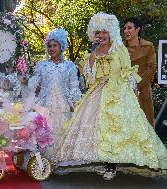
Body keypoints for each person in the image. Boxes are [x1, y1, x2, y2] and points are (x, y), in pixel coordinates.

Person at [54, 12, 167, 180]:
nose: (101, 36)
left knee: (116, 129)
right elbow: (90, 78)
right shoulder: (92, 53)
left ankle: (111, 165)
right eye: (98, 33)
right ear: (94, 35)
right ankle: (105, 162)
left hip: (118, 92)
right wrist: (92, 54)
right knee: (99, 130)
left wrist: (131, 92)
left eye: (104, 32)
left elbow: (127, 72)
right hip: (98, 92)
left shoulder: (119, 49)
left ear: (111, 32)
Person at [28, 28, 82, 160]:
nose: (52, 49)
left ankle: (59, 160)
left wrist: (75, 104)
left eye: (55, 45)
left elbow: (74, 87)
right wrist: (31, 82)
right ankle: (44, 161)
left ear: (61, 46)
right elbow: (34, 84)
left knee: (61, 132)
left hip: (63, 106)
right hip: (44, 105)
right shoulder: (41, 65)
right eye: (49, 46)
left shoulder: (70, 66)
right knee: (44, 132)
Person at [123, 17, 156, 127]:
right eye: (125, 28)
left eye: (129, 28)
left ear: (137, 29)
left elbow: (151, 68)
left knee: (146, 125)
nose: (126, 31)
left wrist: (136, 83)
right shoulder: (119, 48)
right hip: (123, 91)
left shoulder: (148, 46)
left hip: (143, 91)